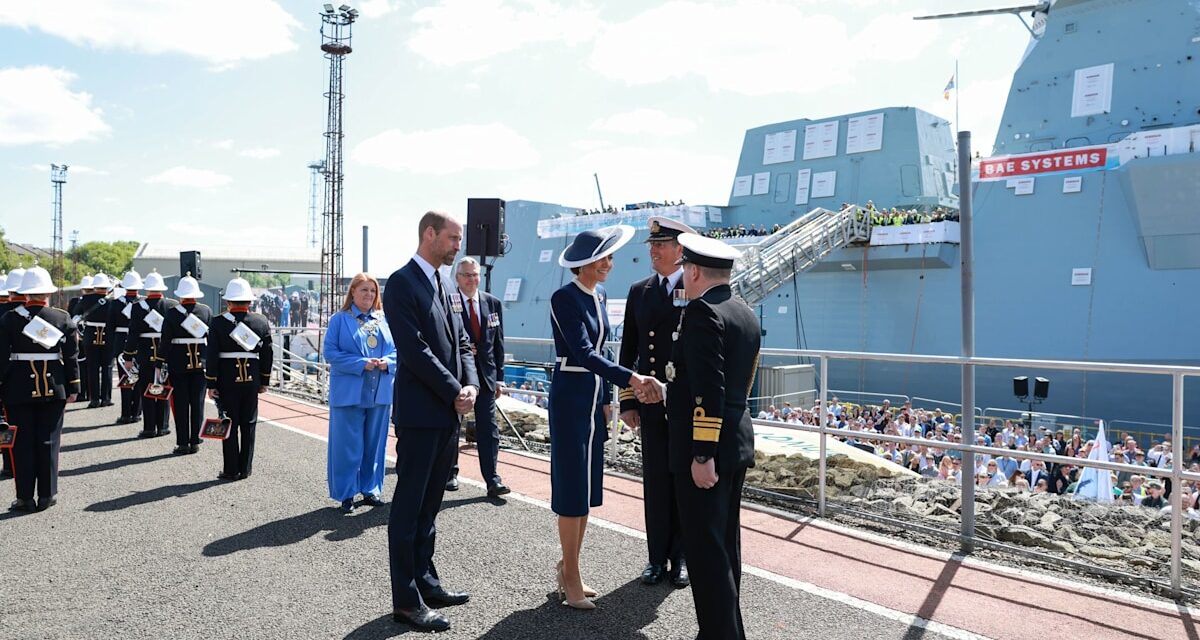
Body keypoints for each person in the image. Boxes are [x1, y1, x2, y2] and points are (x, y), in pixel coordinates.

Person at [549, 224, 662, 611]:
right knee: (571, 490)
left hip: (594, 397)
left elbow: (606, 351)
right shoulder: (564, 298)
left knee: (587, 487)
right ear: (584, 264)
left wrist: (615, 396)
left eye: (610, 258)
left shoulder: (598, 295)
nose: (610, 265)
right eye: (604, 258)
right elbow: (582, 353)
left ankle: (569, 566)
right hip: (570, 396)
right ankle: (572, 574)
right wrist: (631, 378)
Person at [383, 211, 478, 633]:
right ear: (430, 234)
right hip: (422, 414)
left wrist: (471, 385)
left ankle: (426, 582)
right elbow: (414, 349)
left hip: (446, 413)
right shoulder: (402, 282)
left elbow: (461, 341)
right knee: (409, 508)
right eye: (453, 238)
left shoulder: (442, 282)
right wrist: (454, 389)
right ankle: (406, 600)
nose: (458, 245)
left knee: (431, 507)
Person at [665, 233, 760, 640]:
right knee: (725, 544)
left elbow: (709, 389)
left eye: (684, 268)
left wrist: (702, 454)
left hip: (708, 449)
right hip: (736, 441)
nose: (682, 275)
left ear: (695, 270)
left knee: (705, 551)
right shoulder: (745, 312)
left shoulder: (703, 313)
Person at [618, 215, 694, 588]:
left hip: (682, 403)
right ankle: (655, 558)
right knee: (654, 481)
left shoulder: (695, 289)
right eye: (652, 245)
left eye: (660, 244)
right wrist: (627, 400)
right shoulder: (640, 290)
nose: (654, 250)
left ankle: (680, 558)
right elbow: (628, 349)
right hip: (648, 401)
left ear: (680, 250)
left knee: (680, 480)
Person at [0, 267, 80, 512]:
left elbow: (1, 358)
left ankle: (25, 497)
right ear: (47, 292)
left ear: (24, 293)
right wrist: (73, 385)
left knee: (22, 444)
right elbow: (72, 356)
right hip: (54, 387)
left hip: (17, 389)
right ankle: (47, 494)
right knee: (49, 441)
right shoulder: (61, 317)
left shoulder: (9, 318)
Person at [324, 273, 396, 514]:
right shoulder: (339, 320)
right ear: (352, 292)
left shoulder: (385, 320)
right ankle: (346, 493)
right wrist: (360, 363)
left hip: (379, 392)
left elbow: (399, 351)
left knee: (375, 444)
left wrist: (388, 362)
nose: (369, 295)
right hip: (349, 393)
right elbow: (330, 353)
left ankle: (371, 488)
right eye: (364, 290)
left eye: (373, 291)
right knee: (347, 445)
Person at [446, 256, 510, 498]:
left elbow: (499, 343)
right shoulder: (448, 303)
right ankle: (450, 472)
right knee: (453, 425)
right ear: (457, 278)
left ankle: (492, 479)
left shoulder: (492, 303)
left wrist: (499, 378)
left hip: (486, 377)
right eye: (467, 275)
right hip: (458, 374)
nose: (472, 279)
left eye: (475, 275)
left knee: (489, 428)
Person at [205, 277, 273, 481]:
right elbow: (267, 354)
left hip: (227, 380)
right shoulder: (260, 321)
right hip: (251, 379)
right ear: (249, 301)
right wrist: (264, 381)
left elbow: (212, 355)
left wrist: (211, 383)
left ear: (228, 302)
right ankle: (245, 468)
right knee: (249, 423)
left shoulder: (217, 322)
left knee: (229, 423)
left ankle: (230, 469)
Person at [160, 274, 212, 455]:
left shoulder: (172, 313)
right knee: (197, 403)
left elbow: (165, 340)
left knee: (181, 403)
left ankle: (183, 442)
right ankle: (196, 439)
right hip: (200, 363)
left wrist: (160, 361)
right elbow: (210, 339)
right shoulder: (206, 311)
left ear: (180, 295)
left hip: (178, 363)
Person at [126, 270, 177, 439]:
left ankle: (149, 427)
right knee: (164, 386)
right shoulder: (172, 305)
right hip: (166, 352)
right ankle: (163, 426)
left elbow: (133, 333)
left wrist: (128, 356)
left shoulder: (137, 307)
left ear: (146, 289)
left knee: (146, 389)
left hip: (146, 351)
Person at [109, 271, 144, 424]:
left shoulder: (116, 303)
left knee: (126, 378)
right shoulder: (143, 303)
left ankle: (125, 413)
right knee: (138, 377)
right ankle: (136, 412)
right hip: (139, 342)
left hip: (121, 340)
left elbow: (110, 326)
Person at [80, 272, 113, 408]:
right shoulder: (112, 300)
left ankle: (94, 399)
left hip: (90, 334)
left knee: (92, 367)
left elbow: (76, 314)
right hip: (108, 335)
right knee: (107, 367)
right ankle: (106, 398)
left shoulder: (85, 299)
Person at [67, 275, 92, 404]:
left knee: (81, 365)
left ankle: (82, 393)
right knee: (89, 366)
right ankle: (89, 393)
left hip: (79, 335)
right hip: (88, 335)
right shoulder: (97, 301)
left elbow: (69, 318)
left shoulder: (75, 301)